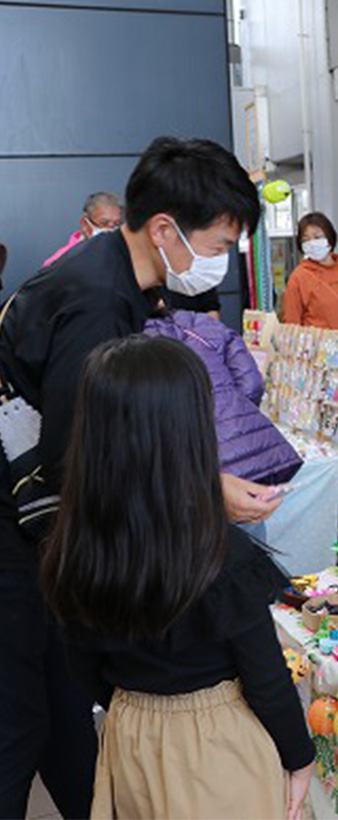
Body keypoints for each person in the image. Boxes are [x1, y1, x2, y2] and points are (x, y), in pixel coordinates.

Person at [0, 136, 281, 819]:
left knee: (59, 709)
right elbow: (82, 454)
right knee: (22, 714)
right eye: (217, 242)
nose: (219, 261)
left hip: (41, 513)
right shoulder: (97, 302)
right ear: (164, 229)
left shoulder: (117, 277)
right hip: (20, 522)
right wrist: (206, 488)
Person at [42, 336, 313, 819]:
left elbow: (82, 666)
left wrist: (137, 705)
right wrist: (299, 758)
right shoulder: (220, 552)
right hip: (218, 745)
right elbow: (265, 678)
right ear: (188, 431)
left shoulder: (75, 548)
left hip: (130, 737)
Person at [144, 310, 303, 486]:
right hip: (259, 449)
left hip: (201, 461)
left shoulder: (135, 343)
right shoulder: (206, 326)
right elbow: (252, 385)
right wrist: (237, 413)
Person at [43, 191, 124, 268]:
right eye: (103, 223)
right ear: (84, 224)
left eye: (117, 224)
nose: (110, 230)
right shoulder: (60, 261)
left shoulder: (126, 255)